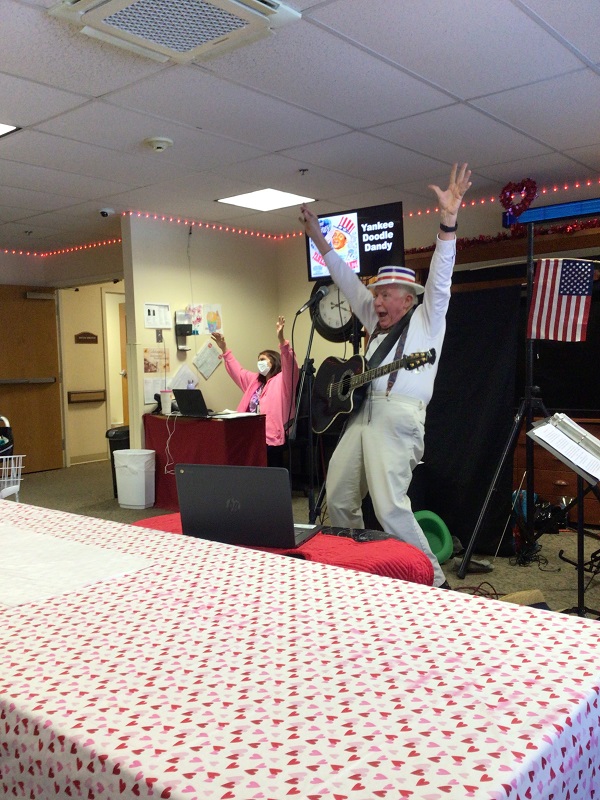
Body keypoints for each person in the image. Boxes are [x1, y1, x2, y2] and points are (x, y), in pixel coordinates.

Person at [299, 162, 472, 588]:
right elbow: (342, 275)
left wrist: (448, 221)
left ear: (407, 299)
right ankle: (361, 574)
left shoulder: (427, 320)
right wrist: (319, 238)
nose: (375, 300)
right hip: (361, 415)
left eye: (385, 294)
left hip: (399, 418)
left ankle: (435, 583)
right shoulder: (374, 321)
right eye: (375, 293)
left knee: (390, 507)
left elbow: (443, 276)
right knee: (338, 498)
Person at [211, 316, 299, 467]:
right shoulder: (255, 381)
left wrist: (282, 342)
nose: (260, 363)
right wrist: (224, 348)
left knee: (269, 473)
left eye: (263, 359)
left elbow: (290, 365)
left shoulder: (284, 380)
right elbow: (237, 371)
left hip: (273, 438)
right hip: (252, 434)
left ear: (275, 362)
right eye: (258, 360)